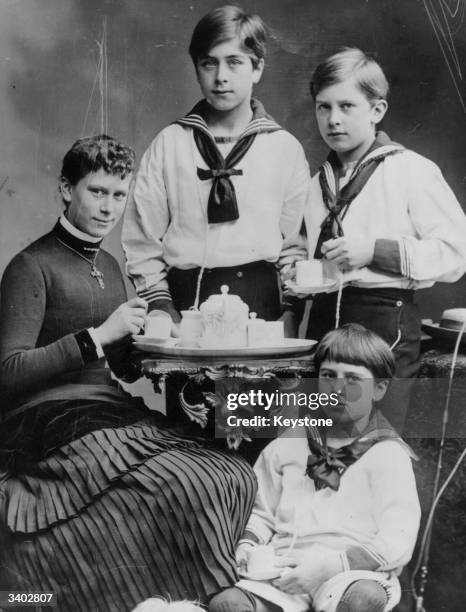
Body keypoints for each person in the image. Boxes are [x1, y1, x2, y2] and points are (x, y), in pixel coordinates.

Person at [0, 135, 256, 612]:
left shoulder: (111, 265)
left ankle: (188, 593)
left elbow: (118, 364)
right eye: (97, 192)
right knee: (184, 481)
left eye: (119, 195)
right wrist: (98, 336)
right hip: (45, 418)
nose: (108, 208)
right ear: (65, 188)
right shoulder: (30, 266)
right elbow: (8, 371)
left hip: (104, 409)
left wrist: (160, 347)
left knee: (230, 472)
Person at [295, 47, 466, 429]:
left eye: (346, 106)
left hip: (384, 324)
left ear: (377, 110)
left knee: (373, 442)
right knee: (318, 443)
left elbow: (456, 253)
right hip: (323, 323)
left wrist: (374, 251)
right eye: (323, 107)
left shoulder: (411, 171)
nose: (333, 119)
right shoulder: (315, 184)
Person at [209, 324, 421, 612]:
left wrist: (331, 567)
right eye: (328, 376)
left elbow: (397, 538)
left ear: (379, 389)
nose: (338, 388)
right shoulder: (292, 442)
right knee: (228, 604)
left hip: (347, 573)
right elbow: (261, 512)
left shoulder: (387, 454)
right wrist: (247, 546)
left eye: (353, 379)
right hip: (285, 569)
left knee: (364, 599)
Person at [122, 4, 309, 330]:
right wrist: (160, 305)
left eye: (234, 63)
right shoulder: (170, 143)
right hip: (186, 302)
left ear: (257, 68)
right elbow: (142, 238)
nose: (221, 77)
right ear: (196, 68)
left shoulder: (284, 148)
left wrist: (290, 310)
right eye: (209, 63)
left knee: (256, 384)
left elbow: (296, 245)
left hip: (262, 305)